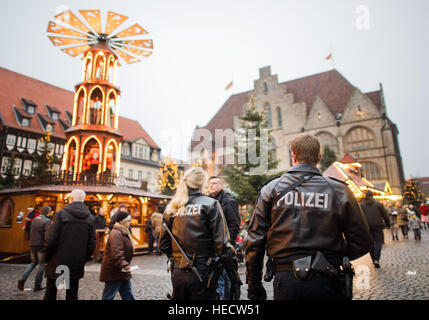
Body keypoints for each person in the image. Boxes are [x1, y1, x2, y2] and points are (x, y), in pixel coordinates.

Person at [245, 133, 372, 300]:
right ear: (319, 157)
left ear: (293, 156)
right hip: (327, 278)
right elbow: (363, 241)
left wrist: (254, 285)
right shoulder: (339, 190)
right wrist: (333, 257)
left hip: (286, 280)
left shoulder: (271, 189)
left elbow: (254, 240)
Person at [159, 167, 242, 300]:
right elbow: (223, 246)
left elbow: (163, 245)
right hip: (203, 272)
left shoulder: (172, 207)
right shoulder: (211, 204)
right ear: (202, 184)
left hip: (178, 273)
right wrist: (234, 276)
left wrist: (179, 259)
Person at [44, 189, 96, 300]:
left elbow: (50, 240)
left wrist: (47, 258)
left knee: (51, 293)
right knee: (72, 293)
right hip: (76, 262)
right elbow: (92, 243)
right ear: (83, 200)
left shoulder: (61, 214)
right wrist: (83, 259)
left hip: (57, 261)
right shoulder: (90, 218)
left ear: (71, 199)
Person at [208, 175, 240, 300]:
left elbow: (234, 226)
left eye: (215, 183)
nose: (211, 185)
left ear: (222, 185)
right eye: (210, 183)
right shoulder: (207, 201)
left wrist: (227, 247)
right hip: (210, 249)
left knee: (224, 280)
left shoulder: (229, 201)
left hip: (224, 249)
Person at [100, 210, 135, 300]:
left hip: (121, 271)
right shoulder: (116, 233)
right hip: (114, 271)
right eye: (128, 221)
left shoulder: (123, 231)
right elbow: (116, 253)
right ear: (122, 222)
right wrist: (125, 265)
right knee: (109, 295)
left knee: (127, 294)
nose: (129, 223)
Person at [18, 205, 52, 292]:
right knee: (42, 264)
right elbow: (47, 235)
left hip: (32, 244)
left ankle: (23, 279)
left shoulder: (35, 219)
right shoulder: (47, 221)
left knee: (33, 262)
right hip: (40, 245)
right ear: (48, 212)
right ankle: (37, 285)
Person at [359, 191, 390, 268]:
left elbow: (358, 216)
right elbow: (385, 215)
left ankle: (373, 259)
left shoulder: (361, 205)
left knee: (370, 243)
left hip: (367, 226)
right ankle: (377, 259)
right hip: (377, 225)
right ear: (372, 196)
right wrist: (388, 224)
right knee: (378, 242)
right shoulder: (378, 204)